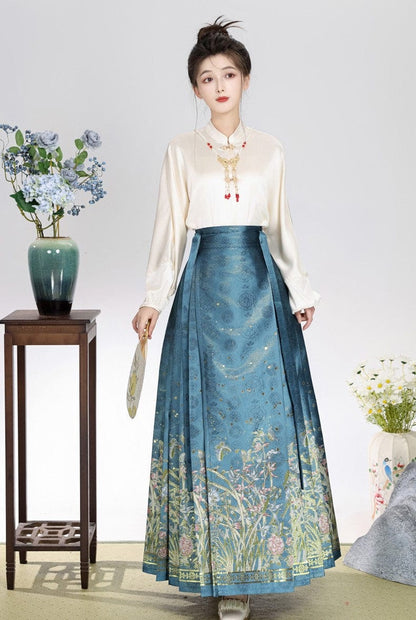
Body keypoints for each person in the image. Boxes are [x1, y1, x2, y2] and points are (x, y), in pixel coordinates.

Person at [132, 17, 340, 620]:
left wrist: (299, 287)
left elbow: (281, 225)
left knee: (265, 424)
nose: (219, 85)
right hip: (202, 294)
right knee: (208, 425)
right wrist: (153, 297)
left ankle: (263, 564)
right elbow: (170, 231)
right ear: (196, 89)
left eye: (228, 74)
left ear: (246, 80)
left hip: (261, 292)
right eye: (207, 78)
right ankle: (216, 572)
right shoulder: (180, 150)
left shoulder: (271, 149)